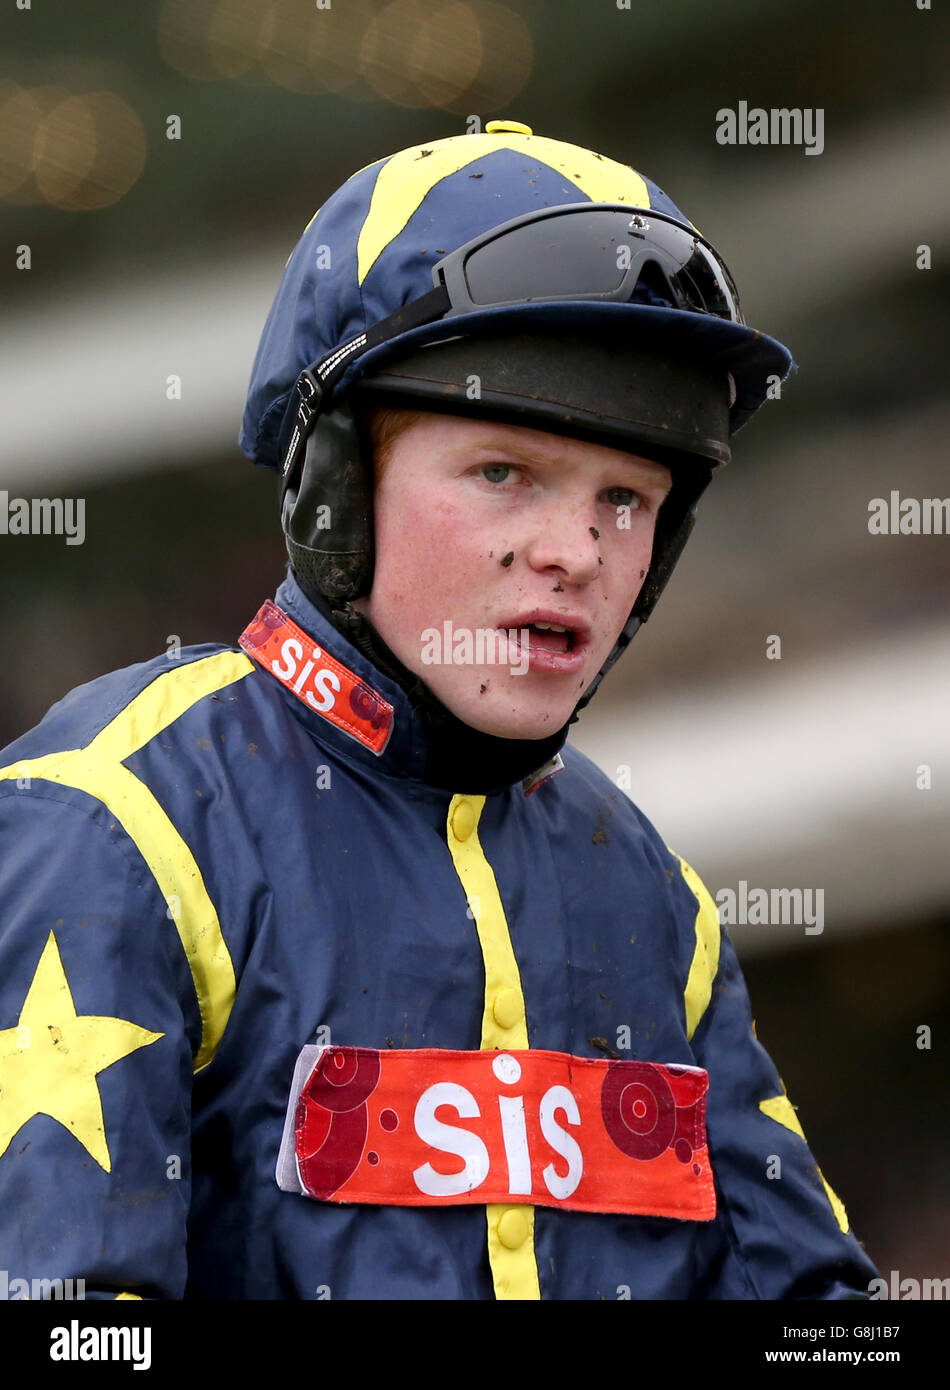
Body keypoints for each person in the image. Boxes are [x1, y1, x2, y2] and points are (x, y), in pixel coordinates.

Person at [0, 122, 879, 1300]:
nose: (573, 550)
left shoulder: (646, 891)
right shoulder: (111, 819)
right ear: (333, 490)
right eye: (503, 472)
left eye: (626, 496)